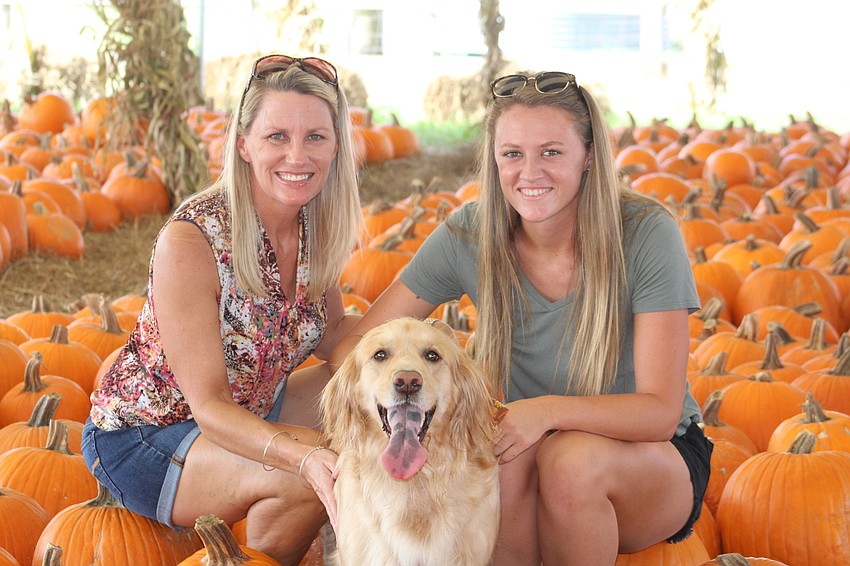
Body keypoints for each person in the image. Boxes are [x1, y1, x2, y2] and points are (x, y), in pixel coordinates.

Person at [329, 71, 712, 565]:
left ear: (589, 156)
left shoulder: (644, 233)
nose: (529, 171)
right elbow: (359, 346)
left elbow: (659, 413)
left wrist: (548, 410)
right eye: (512, 154)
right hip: (525, 446)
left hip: (649, 458)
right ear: (495, 159)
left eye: (551, 152)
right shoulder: (470, 233)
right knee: (492, 459)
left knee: (567, 461)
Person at [81, 54, 362, 565]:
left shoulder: (312, 226)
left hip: (249, 408)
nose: (297, 155)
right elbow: (208, 408)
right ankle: (255, 555)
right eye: (277, 136)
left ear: (336, 146)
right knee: (321, 467)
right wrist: (302, 455)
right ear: (243, 144)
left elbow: (336, 333)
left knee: (367, 389)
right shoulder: (192, 240)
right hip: (149, 436)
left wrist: (419, 342)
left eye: (315, 137)